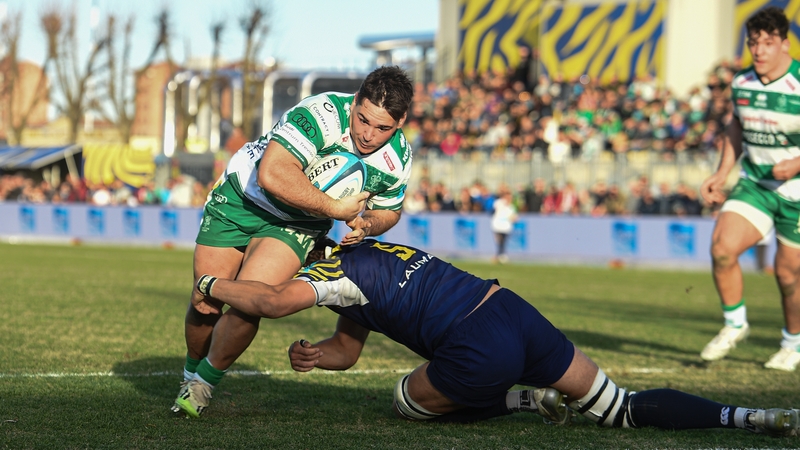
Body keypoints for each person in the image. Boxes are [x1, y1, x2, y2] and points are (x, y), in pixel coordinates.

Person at [187, 238, 800, 437]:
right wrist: (321, 357)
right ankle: (746, 417)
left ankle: (523, 399)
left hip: (477, 343)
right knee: (621, 410)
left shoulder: (330, 273)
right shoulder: (367, 257)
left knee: (406, 398)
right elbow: (348, 347)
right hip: (512, 310)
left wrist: (214, 282)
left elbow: (268, 300)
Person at [173, 66, 415, 418]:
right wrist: (334, 207)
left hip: (298, 223)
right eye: (363, 120)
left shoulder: (398, 157)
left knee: (250, 301)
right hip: (241, 199)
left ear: (401, 120)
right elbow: (271, 174)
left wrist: (367, 223)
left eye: (383, 128)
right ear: (356, 101)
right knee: (205, 302)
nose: (368, 135)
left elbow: (390, 211)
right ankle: (188, 372)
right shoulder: (320, 114)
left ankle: (202, 385)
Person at [699, 7, 800, 371]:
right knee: (722, 249)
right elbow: (736, 128)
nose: (759, 51)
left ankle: (792, 343)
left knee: (789, 277)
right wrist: (723, 171)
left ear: (785, 45)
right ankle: (735, 324)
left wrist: (797, 163)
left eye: (768, 43)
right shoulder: (742, 82)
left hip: (797, 195)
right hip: (755, 184)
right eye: (753, 43)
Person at [490, 185, 518, 263]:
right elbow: (493, 209)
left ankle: (501, 255)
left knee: (504, 242)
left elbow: (513, 217)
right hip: (497, 226)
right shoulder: (499, 203)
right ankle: (499, 255)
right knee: (499, 241)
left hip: (506, 227)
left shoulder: (511, 207)